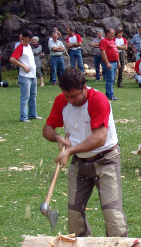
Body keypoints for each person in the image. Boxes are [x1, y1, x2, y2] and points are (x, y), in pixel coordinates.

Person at [42, 68, 128, 238]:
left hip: (106, 159)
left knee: (112, 212)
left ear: (84, 88)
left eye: (74, 96)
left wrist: (71, 150)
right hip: (80, 162)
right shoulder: (62, 100)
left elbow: (99, 138)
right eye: (67, 96)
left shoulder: (98, 100)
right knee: (74, 213)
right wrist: (58, 138)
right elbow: (47, 130)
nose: (70, 100)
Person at [10, 30, 42, 123]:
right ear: (24, 37)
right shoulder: (20, 47)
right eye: (29, 37)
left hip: (32, 75)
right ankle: (23, 116)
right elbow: (12, 59)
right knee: (25, 96)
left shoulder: (29, 47)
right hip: (25, 76)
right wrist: (23, 66)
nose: (31, 39)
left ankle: (32, 114)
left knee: (33, 95)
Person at [100, 28, 120, 101]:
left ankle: (111, 93)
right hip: (109, 63)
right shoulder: (104, 41)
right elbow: (103, 52)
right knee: (110, 79)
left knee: (113, 79)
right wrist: (107, 62)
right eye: (111, 33)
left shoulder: (112, 41)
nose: (113, 34)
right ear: (107, 33)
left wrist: (118, 62)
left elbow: (116, 51)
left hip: (114, 62)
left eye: (113, 33)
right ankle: (109, 94)